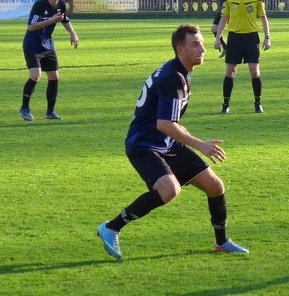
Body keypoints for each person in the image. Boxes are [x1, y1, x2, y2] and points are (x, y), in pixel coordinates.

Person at [96, 24, 249, 260]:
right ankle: (111, 228)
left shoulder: (180, 71)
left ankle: (222, 242)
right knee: (169, 190)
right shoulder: (173, 77)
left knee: (215, 186)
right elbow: (164, 124)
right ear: (181, 49)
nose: (202, 49)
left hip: (166, 142)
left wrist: (182, 131)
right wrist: (201, 144)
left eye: (202, 44)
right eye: (195, 45)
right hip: (144, 144)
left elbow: (168, 119)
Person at [20, 0, 80, 121]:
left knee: (54, 77)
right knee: (35, 76)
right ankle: (24, 108)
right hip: (32, 45)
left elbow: (64, 19)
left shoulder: (61, 4)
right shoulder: (40, 5)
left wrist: (73, 34)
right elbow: (31, 26)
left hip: (48, 45)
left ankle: (50, 112)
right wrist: (51, 20)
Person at [213, 0, 271, 114]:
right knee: (230, 71)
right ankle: (225, 105)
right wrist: (218, 37)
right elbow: (224, 18)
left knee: (254, 71)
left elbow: (263, 18)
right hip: (234, 37)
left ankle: (258, 103)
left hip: (251, 37)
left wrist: (267, 37)